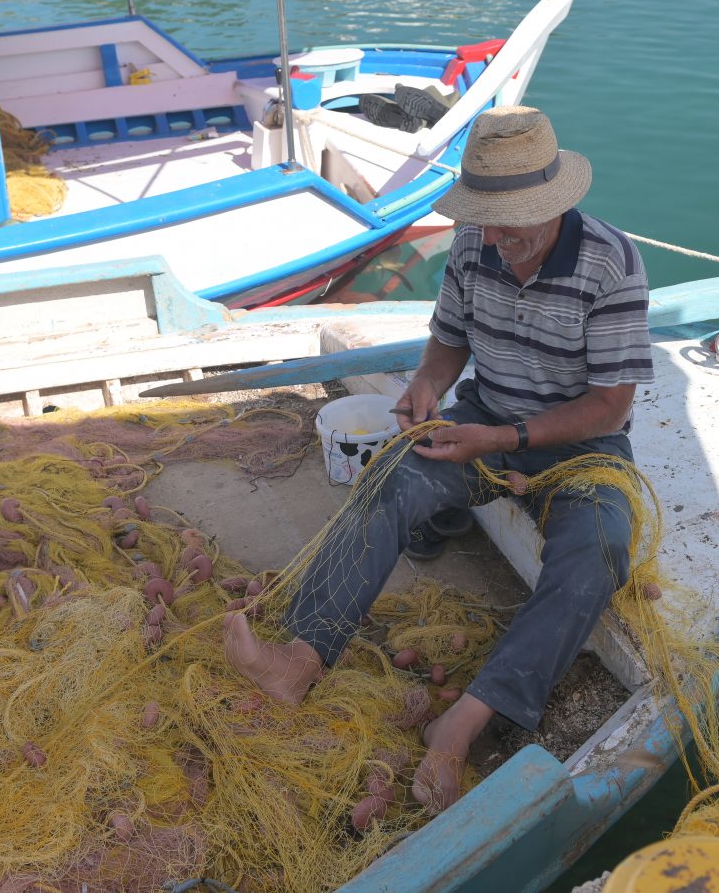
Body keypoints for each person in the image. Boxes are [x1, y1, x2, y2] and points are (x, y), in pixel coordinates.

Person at [224, 105, 653, 812]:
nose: (498, 241)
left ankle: (464, 724)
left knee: (599, 551)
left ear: (553, 208)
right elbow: (451, 338)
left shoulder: (609, 263)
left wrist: (505, 441)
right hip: (486, 413)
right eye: (487, 222)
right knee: (392, 477)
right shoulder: (474, 244)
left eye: (515, 228)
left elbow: (610, 405)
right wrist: (428, 384)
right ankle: (298, 661)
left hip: (581, 442)